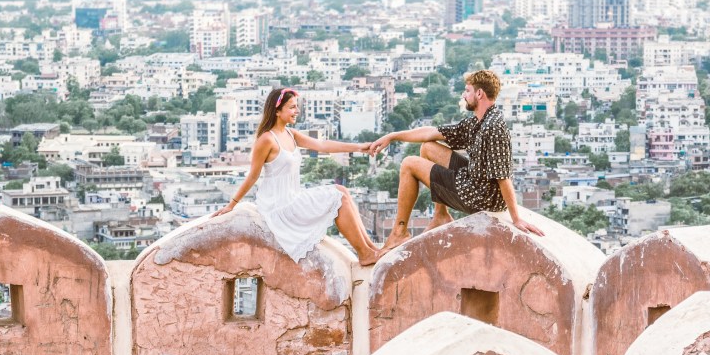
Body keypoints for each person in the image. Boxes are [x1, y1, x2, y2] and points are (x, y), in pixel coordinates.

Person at [368, 69, 544, 251]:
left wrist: (516, 218)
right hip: (475, 180)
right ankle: (440, 215)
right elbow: (431, 132)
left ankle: (399, 232)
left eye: (467, 91)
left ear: (479, 93)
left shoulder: (493, 128)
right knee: (427, 147)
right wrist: (393, 136)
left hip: (481, 197)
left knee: (409, 164)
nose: (464, 95)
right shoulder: (478, 121)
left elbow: (503, 176)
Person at [212, 88, 382, 266]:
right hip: (279, 206)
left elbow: (322, 145)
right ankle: (364, 253)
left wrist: (359, 147)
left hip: (294, 197)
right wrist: (231, 205)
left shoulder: (290, 134)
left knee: (343, 191)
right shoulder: (267, 139)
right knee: (339, 197)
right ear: (277, 111)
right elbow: (253, 176)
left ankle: (371, 249)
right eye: (292, 107)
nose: (297, 111)